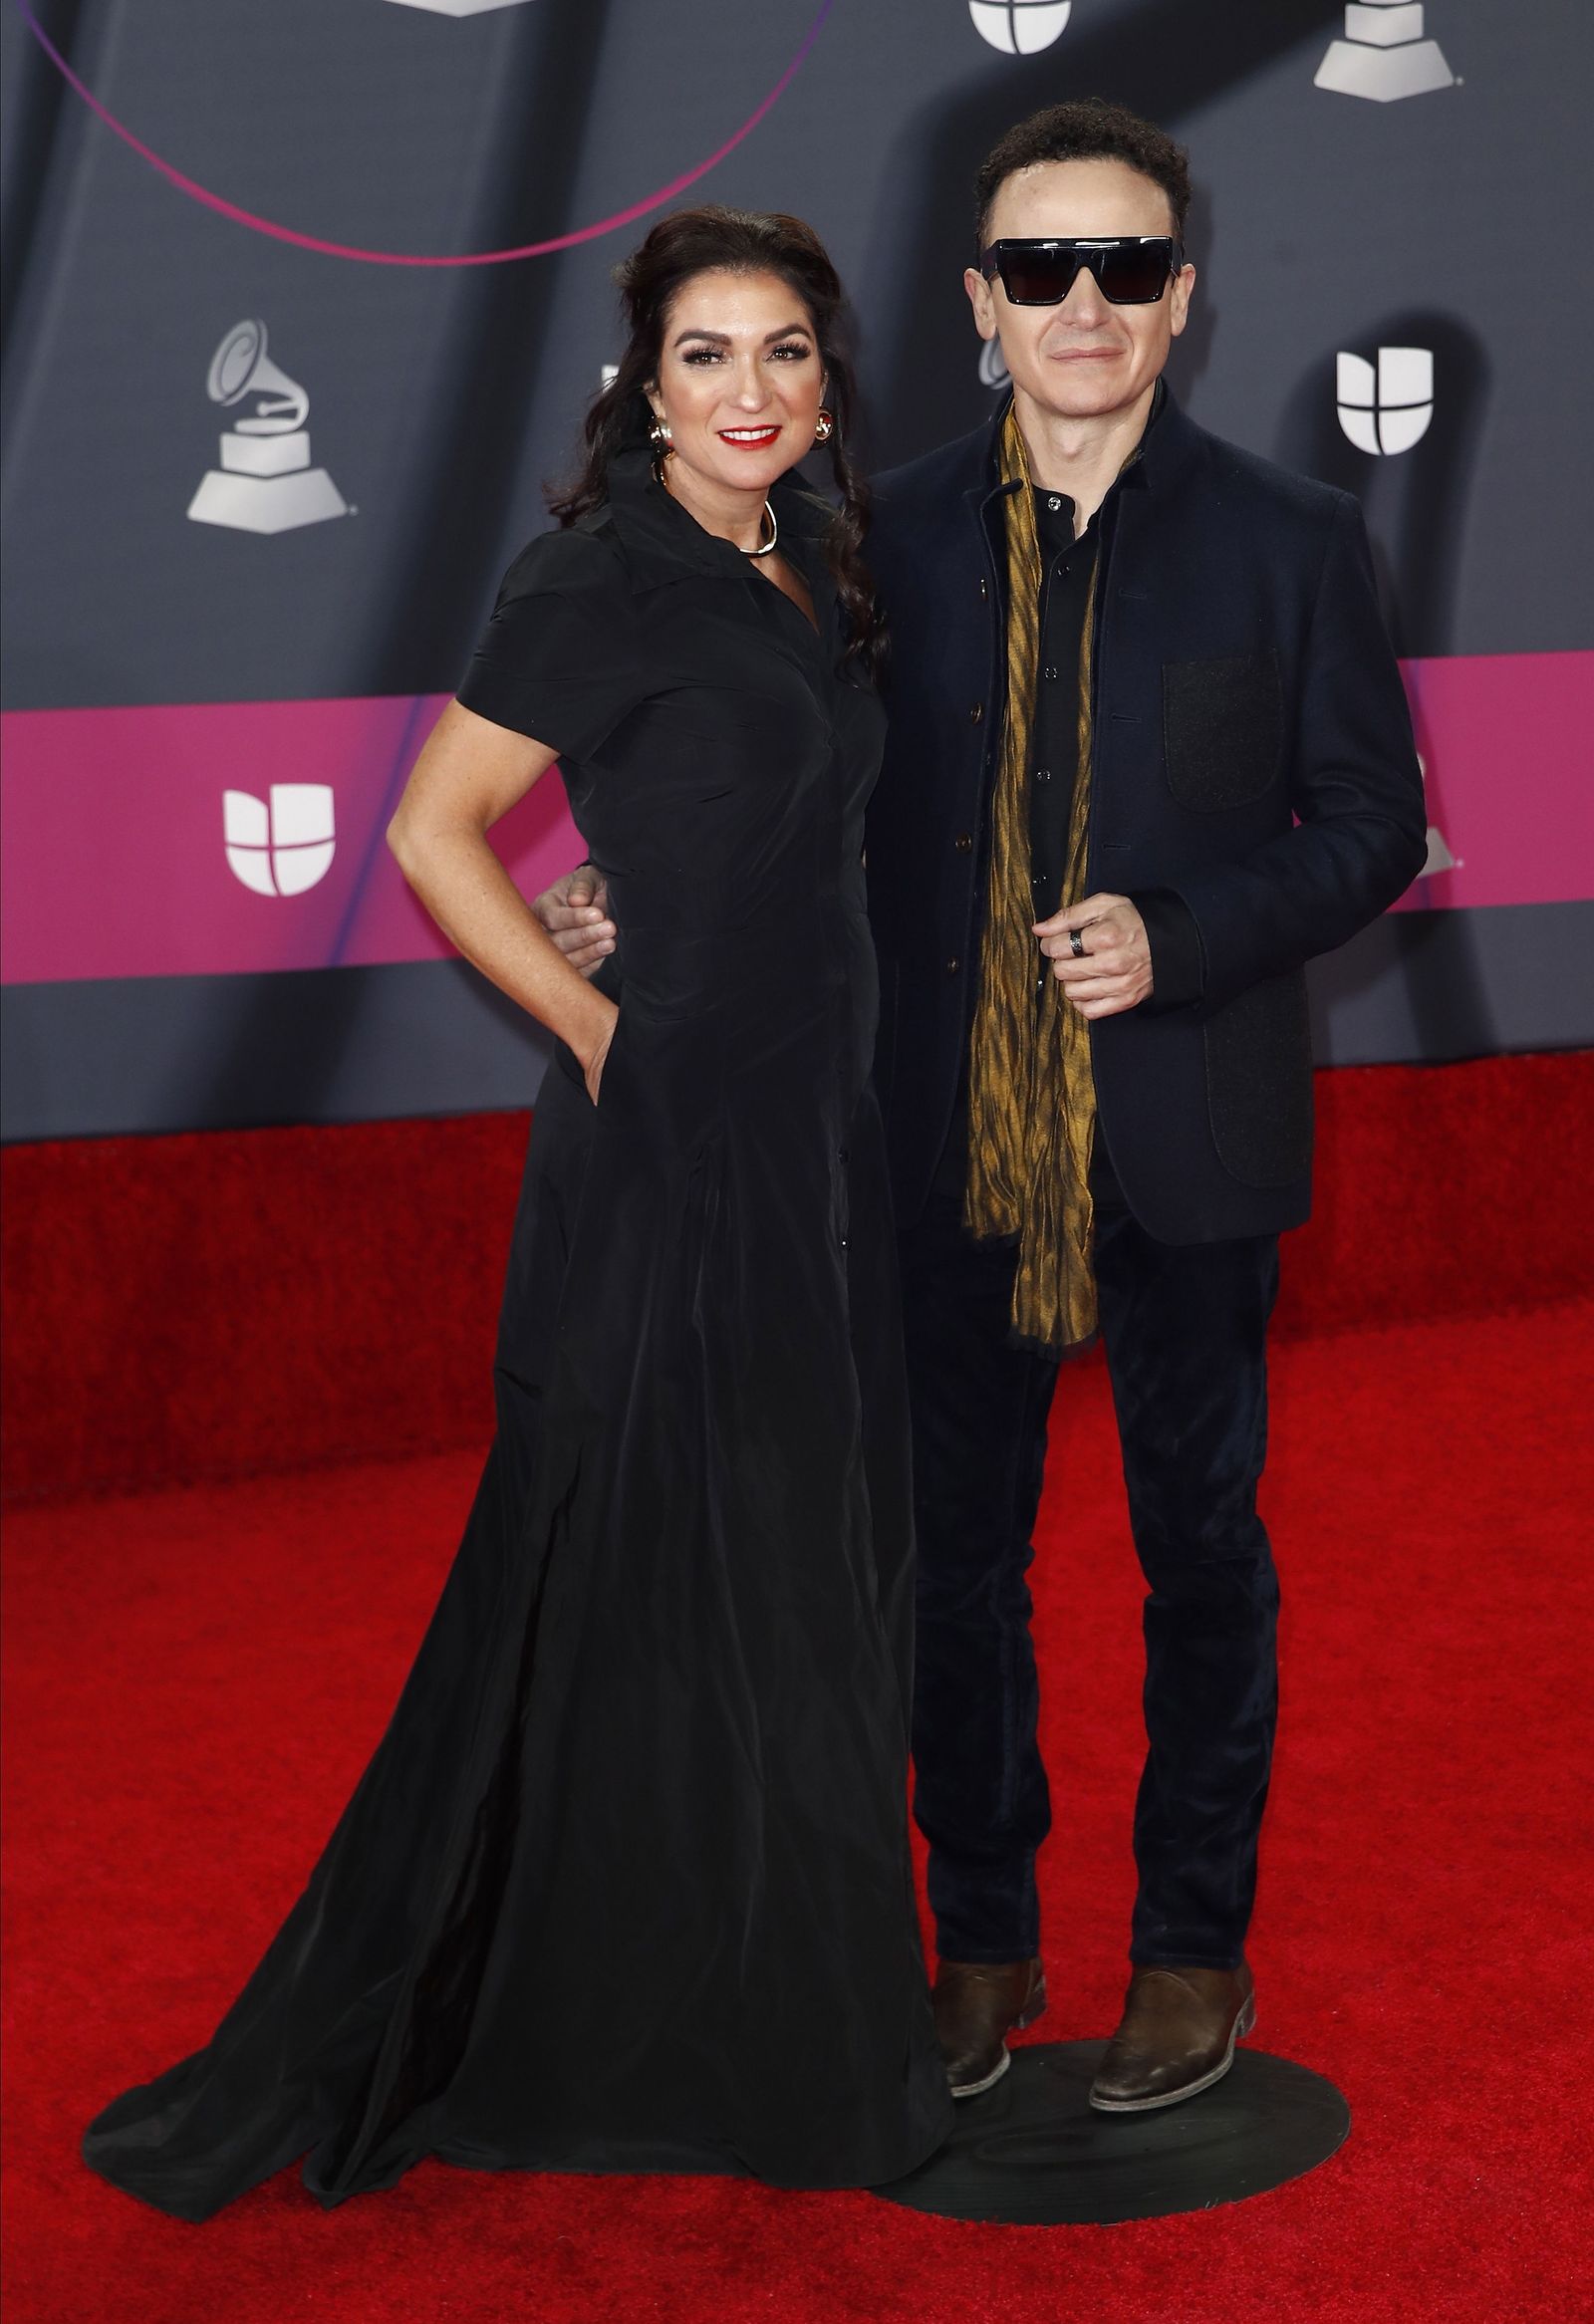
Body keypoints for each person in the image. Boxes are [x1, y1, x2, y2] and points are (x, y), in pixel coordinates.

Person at [537, 103, 1428, 2117]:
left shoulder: (1292, 539)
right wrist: (641, 891)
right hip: (930, 1137)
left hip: (1184, 1134)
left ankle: (1190, 1950)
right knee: (950, 1565)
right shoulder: (878, 537)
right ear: (977, 302)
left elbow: (1369, 824)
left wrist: (1187, 932)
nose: (1083, 301)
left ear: (1179, 297)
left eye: (1124, 264)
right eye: (1040, 267)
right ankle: (987, 1947)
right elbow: (793, 804)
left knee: (1200, 1553)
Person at [82, 207, 952, 2221]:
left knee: (789, 1575)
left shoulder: (811, 557)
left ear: (826, 382)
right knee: (667, 1572)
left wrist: (636, 893)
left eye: (787, 355)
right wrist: (587, 1022)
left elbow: (741, 825)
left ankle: (763, 1997)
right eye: (710, 356)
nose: (754, 393)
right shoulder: (597, 574)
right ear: (642, 382)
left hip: (813, 1127)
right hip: (672, 1143)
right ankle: (670, 2030)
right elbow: (426, 829)